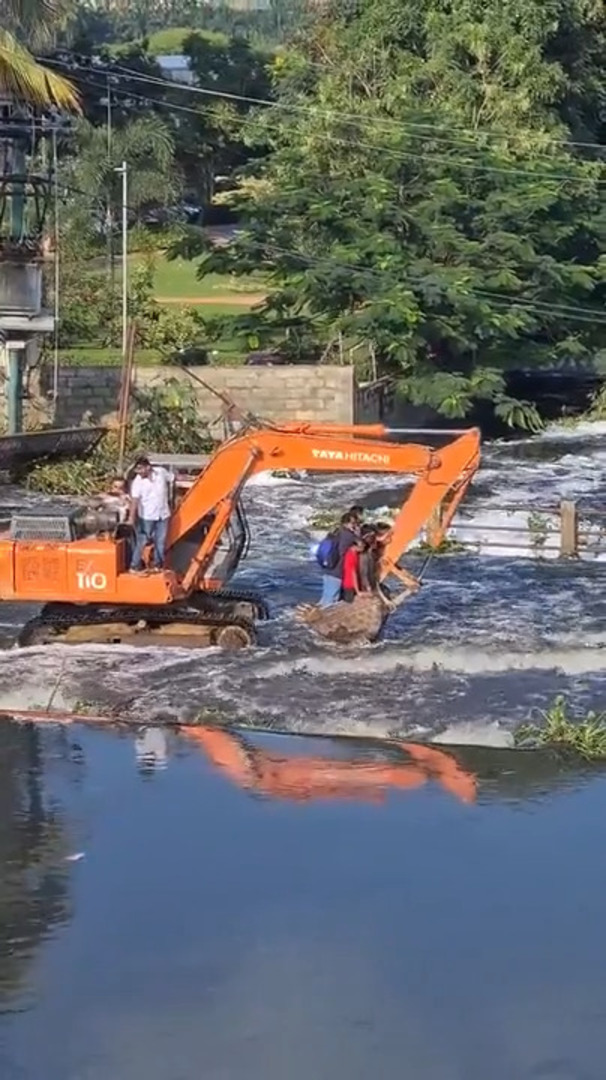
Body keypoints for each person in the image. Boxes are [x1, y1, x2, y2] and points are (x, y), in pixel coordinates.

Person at [129, 457, 172, 573]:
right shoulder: (137, 482)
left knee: (161, 541)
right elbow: (135, 500)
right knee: (142, 540)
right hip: (147, 516)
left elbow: (173, 478)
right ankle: (134, 565)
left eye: (140, 469)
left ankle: (158, 566)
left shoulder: (161, 473)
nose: (139, 472)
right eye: (137, 470)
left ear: (148, 467)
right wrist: (131, 517)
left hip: (163, 514)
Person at [318, 510, 359, 606]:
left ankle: (314, 617)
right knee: (331, 600)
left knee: (325, 597)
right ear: (346, 523)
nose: (355, 525)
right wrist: (358, 532)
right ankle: (325, 619)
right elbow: (361, 544)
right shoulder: (348, 535)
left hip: (328, 568)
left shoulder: (336, 531)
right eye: (353, 523)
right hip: (337, 571)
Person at [341, 536, 367, 602]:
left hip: (350, 584)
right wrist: (357, 590)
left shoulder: (354, 554)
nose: (363, 549)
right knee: (349, 604)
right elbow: (353, 574)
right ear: (355, 546)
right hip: (349, 584)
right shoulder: (351, 556)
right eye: (362, 547)